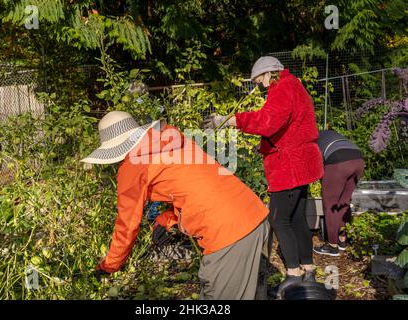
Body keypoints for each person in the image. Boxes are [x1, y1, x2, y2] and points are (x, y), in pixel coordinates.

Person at [81, 111, 270, 300]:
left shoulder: (132, 167)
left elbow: (126, 224)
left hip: (229, 233)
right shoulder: (171, 141)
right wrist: (165, 220)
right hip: (255, 215)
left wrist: (110, 265)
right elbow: (191, 187)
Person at [203, 56, 324, 296]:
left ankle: (293, 275)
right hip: (301, 161)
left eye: (259, 80)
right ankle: (308, 268)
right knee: (298, 217)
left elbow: (268, 121)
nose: (259, 85)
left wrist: (231, 120)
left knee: (279, 219)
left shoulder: (282, 88)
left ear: (269, 73)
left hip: (289, 164)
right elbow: (283, 123)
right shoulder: (294, 85)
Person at [313, 129, 364, 257]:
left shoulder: (311, 138)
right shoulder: (329, 134)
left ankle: (332, 246)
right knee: (344, 202)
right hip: (358, 158)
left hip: (338, 160)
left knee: (330, 204)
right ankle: (342, 240)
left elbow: (315, 164)